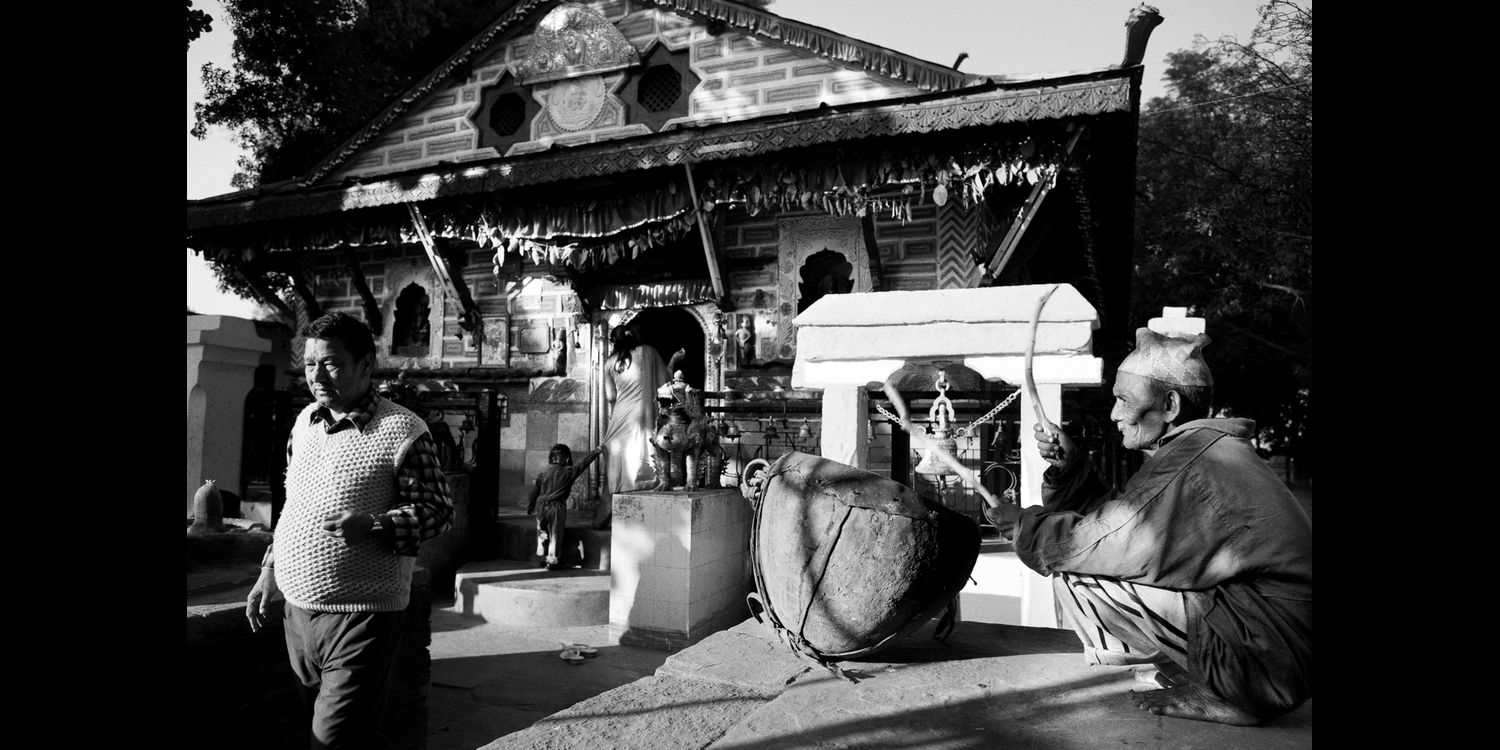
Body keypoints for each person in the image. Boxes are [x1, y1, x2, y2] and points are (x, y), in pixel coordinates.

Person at [984, 326, 1311, 727]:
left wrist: (1025, 526)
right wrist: (1070, 469)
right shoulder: (1201, 452)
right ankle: (1207, 677)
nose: (1114, 413)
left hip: (1269, 662)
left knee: (1078, 575)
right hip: (1271, 645)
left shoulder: (1194, 463)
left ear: (1170, 404)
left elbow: (1109, 542)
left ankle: (1232, 694)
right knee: (1091, 558)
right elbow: (1121, 520)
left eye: (1123, 400)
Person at [245, 311, 453, 749]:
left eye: (332, 363)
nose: (317, 376)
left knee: (330, 739)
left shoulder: (402, 430)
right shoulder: (304, 423)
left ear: (365, 364)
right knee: (346, 733)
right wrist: (270, 569)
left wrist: (377, 525)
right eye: (308, 364)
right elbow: (293, 506)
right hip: (297, 614)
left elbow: (437, 511)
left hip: (362, 615)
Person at [594, 324, 669, 528]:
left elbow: (611, 397)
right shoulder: (648, 353)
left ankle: (613, 514)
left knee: (617, 463)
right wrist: (674, 361)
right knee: (640, 459)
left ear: (613, 342)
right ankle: (639, 516)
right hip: (641, 418)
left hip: (619, 419)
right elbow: (666, 383)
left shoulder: (609, 363)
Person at [527, 443, 604, 570]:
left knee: (542, 531)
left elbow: (534, 491)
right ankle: (553, 560)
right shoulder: (568, 472)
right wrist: (597, 451)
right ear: (567, 460)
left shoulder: (543, 473)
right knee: (555, 534)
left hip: (541, 507)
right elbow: (583, 463)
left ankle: (543, 556)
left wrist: (531, 505)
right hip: (556, 507)